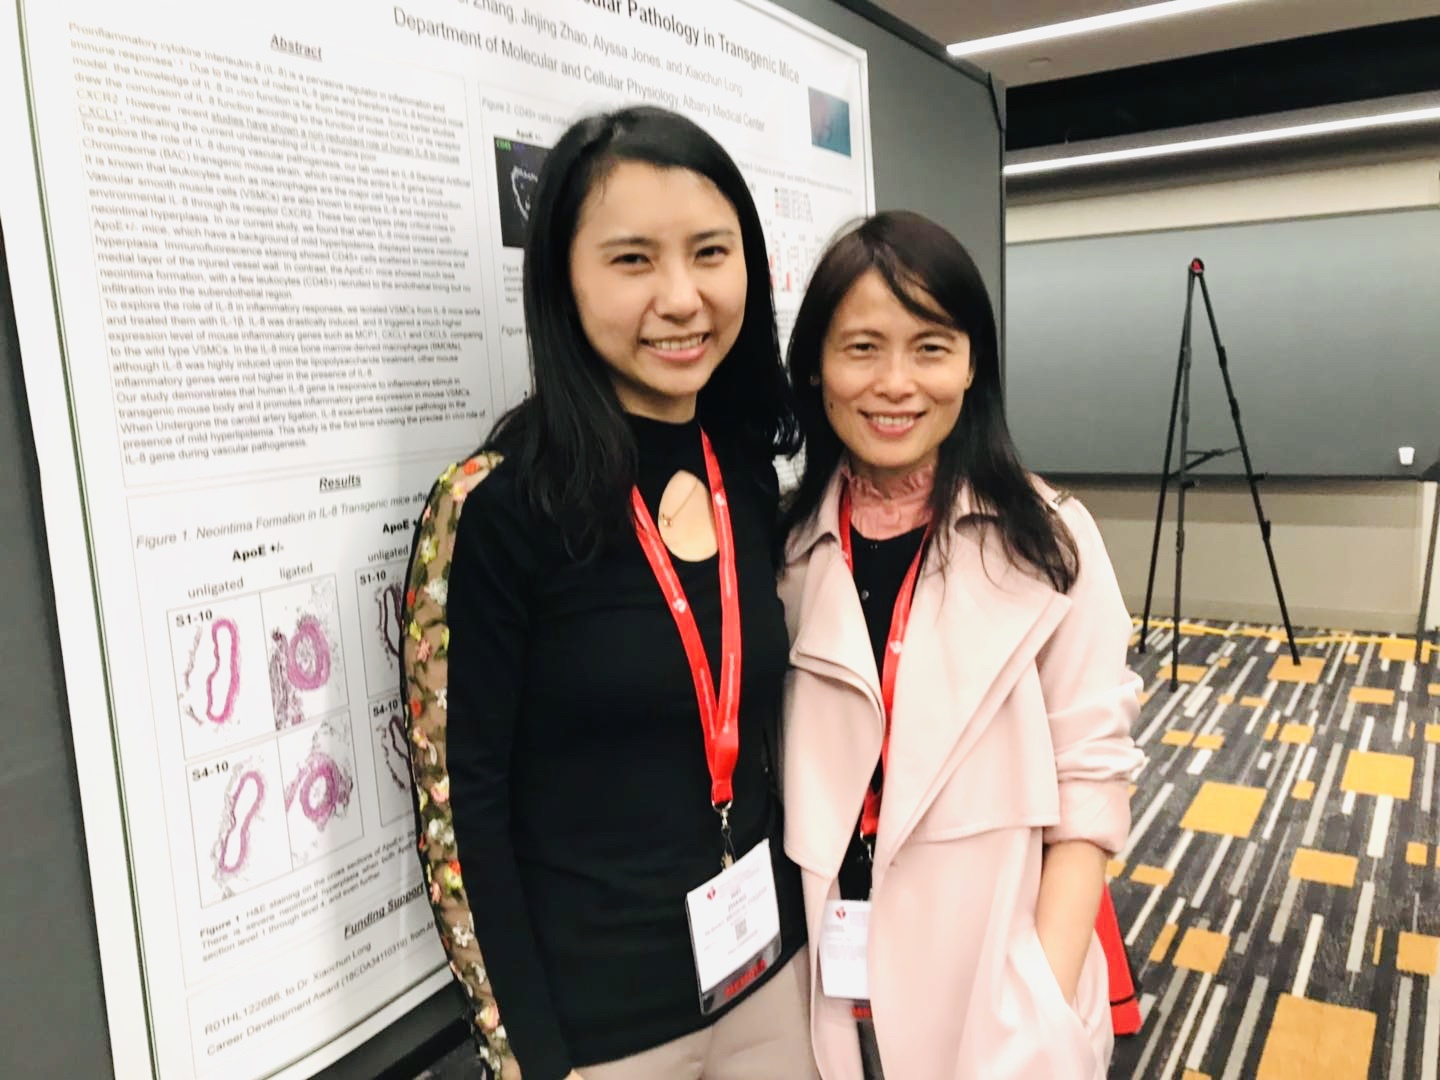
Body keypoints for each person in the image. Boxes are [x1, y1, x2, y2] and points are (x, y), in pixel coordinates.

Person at [400, 105, 816, 1080]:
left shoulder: (744, 468)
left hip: (768, 974)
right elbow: (462, 815)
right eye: (633, 261)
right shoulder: (497, 508)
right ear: (564, 281)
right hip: (603, 1028)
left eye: (710, 252)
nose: (682, 297)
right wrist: (533, 1057)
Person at [778, 210, 1144, 1079]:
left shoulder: (1051, 542)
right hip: (829, 970)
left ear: (973, 364)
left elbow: (1092, 782)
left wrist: (1042, 1003)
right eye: (861, 348)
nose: (896, 384)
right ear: (818, 369)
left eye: (931, 348)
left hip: (994, 984)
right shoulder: (787, 551)